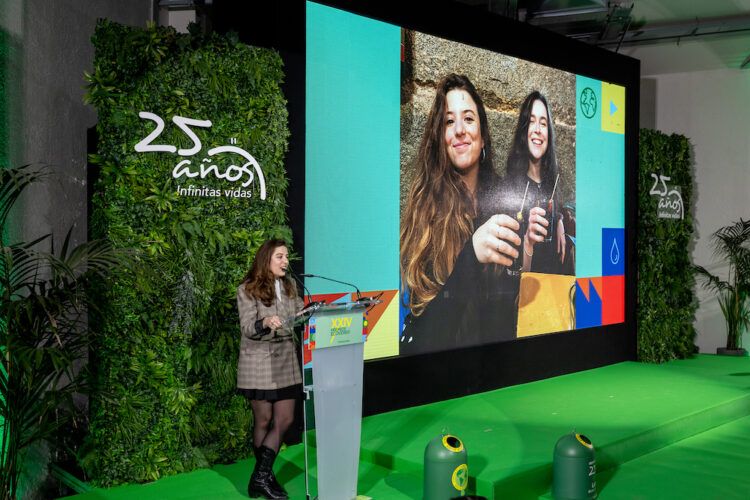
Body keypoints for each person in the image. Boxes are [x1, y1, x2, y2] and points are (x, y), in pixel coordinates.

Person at [400, 74, 521, 355]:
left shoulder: (505, 202)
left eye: (468, 119)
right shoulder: (425, 212)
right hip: (448, 375)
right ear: (439, 138)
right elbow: (425, 339)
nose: (459, 131)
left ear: (483, 136)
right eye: (449, 121)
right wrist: (472, 255)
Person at [237, 239, 303, 499]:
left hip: (286, 362)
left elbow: (298, 313)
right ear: (266, 259)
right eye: (280, 257)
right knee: (263, 421)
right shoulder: (247, 289)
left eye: (286, 257)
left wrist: (310, 312)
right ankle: (265, 478)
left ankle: (260, 478)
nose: (286, 261)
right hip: (259, 364)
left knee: (285, 419)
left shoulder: (290, 286)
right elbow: (246, 327)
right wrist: (264, 321)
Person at [504, 91, 569, 275]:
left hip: (555, 295)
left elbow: (563, 207)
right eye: (531, 121)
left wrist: (559, 219)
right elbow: (511, 275)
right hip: (526, 298)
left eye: (543, 123)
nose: (538, 129)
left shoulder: (553, 182)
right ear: (523, 130)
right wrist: (528, 242)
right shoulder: (509, 189)